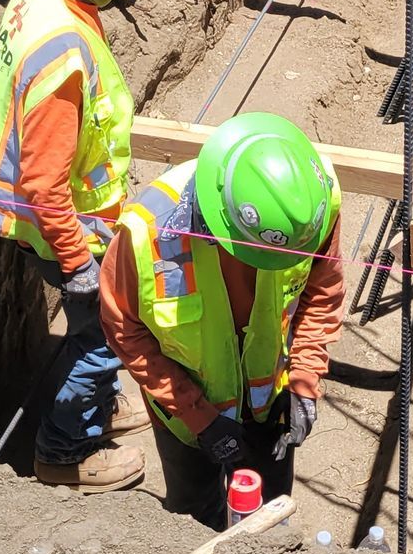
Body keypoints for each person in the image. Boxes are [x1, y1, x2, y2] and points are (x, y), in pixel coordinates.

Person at [0, 0, 155, 491]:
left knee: (96, 331)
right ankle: (65, 450)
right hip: (59, 222)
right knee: (102, 334)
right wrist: (77, 263)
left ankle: (95, 401)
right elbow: (46, 180)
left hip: (45, 215)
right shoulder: (64, 50)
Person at [99, 112, 347, 528]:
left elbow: (321, 293)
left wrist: (304, 377)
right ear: (219, 226)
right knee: (193, 515)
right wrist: (198, 417)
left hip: (270, 402)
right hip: (183, 413)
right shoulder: (146, 234)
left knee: (269, 514)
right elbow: (125, 330)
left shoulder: (310, 211)